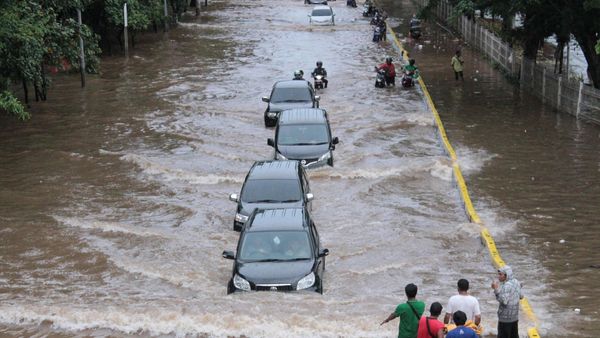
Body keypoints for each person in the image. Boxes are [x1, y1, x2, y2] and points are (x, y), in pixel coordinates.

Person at [491, 265, 523, 338]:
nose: (498, 276)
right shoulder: (516, 282)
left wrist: (496, 290)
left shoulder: (506, 285)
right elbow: (521, 296)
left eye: (500, 274)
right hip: (515, 317)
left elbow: (504, 301)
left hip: (505, 319)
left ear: (506, 275)